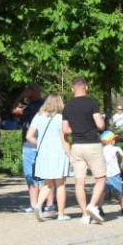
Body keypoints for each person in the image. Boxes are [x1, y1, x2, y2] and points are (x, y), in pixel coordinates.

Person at [62, 77, 106, 224]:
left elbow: (65, 129)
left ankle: (84, 215)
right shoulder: (92, 103)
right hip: (92, 143)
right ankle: (92, 206)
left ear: (72, 89)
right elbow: (100, 125)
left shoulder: (67, 106)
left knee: (79, 182)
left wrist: (77, 128)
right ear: (86, 87)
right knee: (100, 178)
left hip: (77, 146)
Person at [26, 93, 70, 222]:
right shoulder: (61, 117)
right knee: (60, 184)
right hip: (58, 152)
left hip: (43, 154)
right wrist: (70, 154)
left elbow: (29, 136)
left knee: (48, 183)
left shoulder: (38, 116)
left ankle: (38, 206)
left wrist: (39, 144)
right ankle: (61, 214)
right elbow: (64, 138)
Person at [12, 83, 45, 214]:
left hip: (40, 142)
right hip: (27, 143)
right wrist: (21, 97)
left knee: (42, 176)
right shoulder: (28, 106)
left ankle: (44, 203)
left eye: (30, 89)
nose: (27, 91)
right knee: (29, 175)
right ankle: (33, 204)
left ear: (37, 91)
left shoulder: (44, 105)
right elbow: (14, 110)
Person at [101, 130, 123, 216]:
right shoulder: (116, 148)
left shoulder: (102, 150)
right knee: (119, 192)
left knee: (102, 192)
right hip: (115, 173)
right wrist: (121, 164)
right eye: (114, 139)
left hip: (105, 174)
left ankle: (99, 208)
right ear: (112, 140)